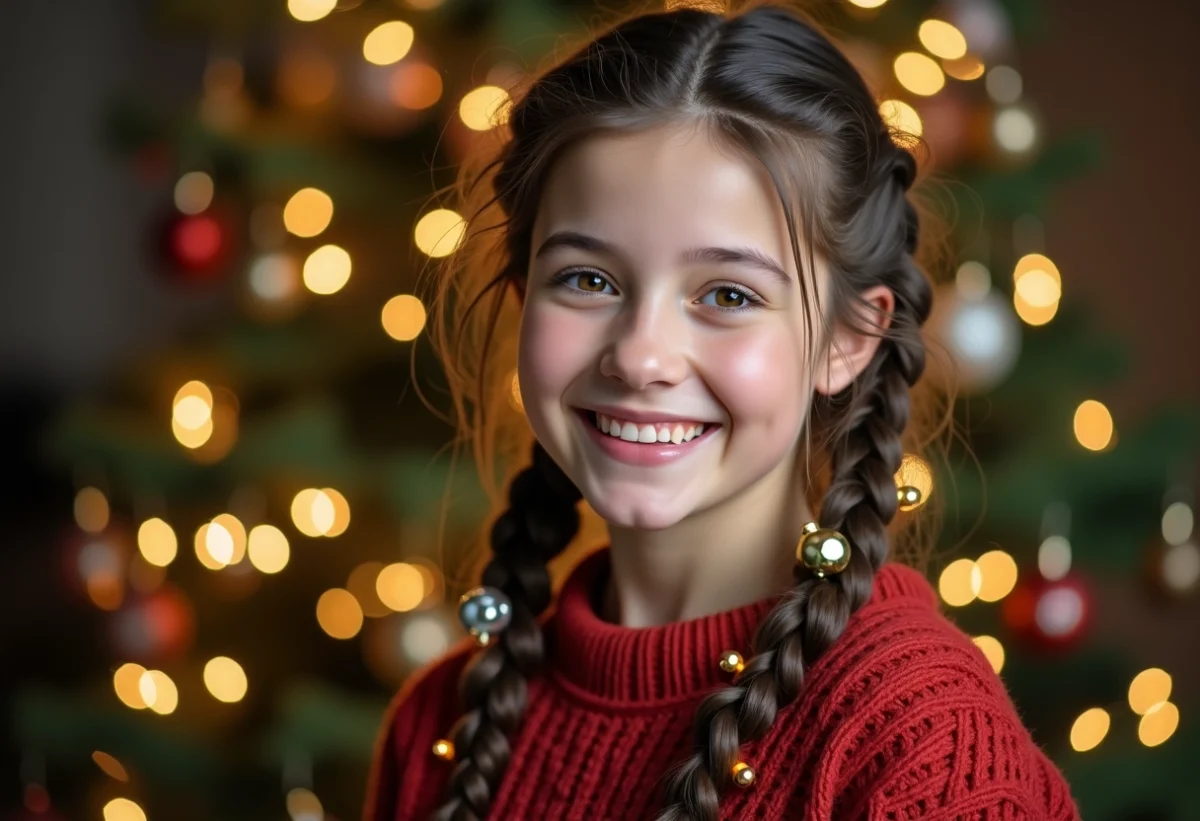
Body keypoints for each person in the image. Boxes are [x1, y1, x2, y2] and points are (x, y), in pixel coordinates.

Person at [364, 2, 1080, 819]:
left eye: (728, 294)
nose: (640, 354)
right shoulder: (440, 724)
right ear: (525, 295)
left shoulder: (921, 744)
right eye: (587, 280)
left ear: (848, 339)